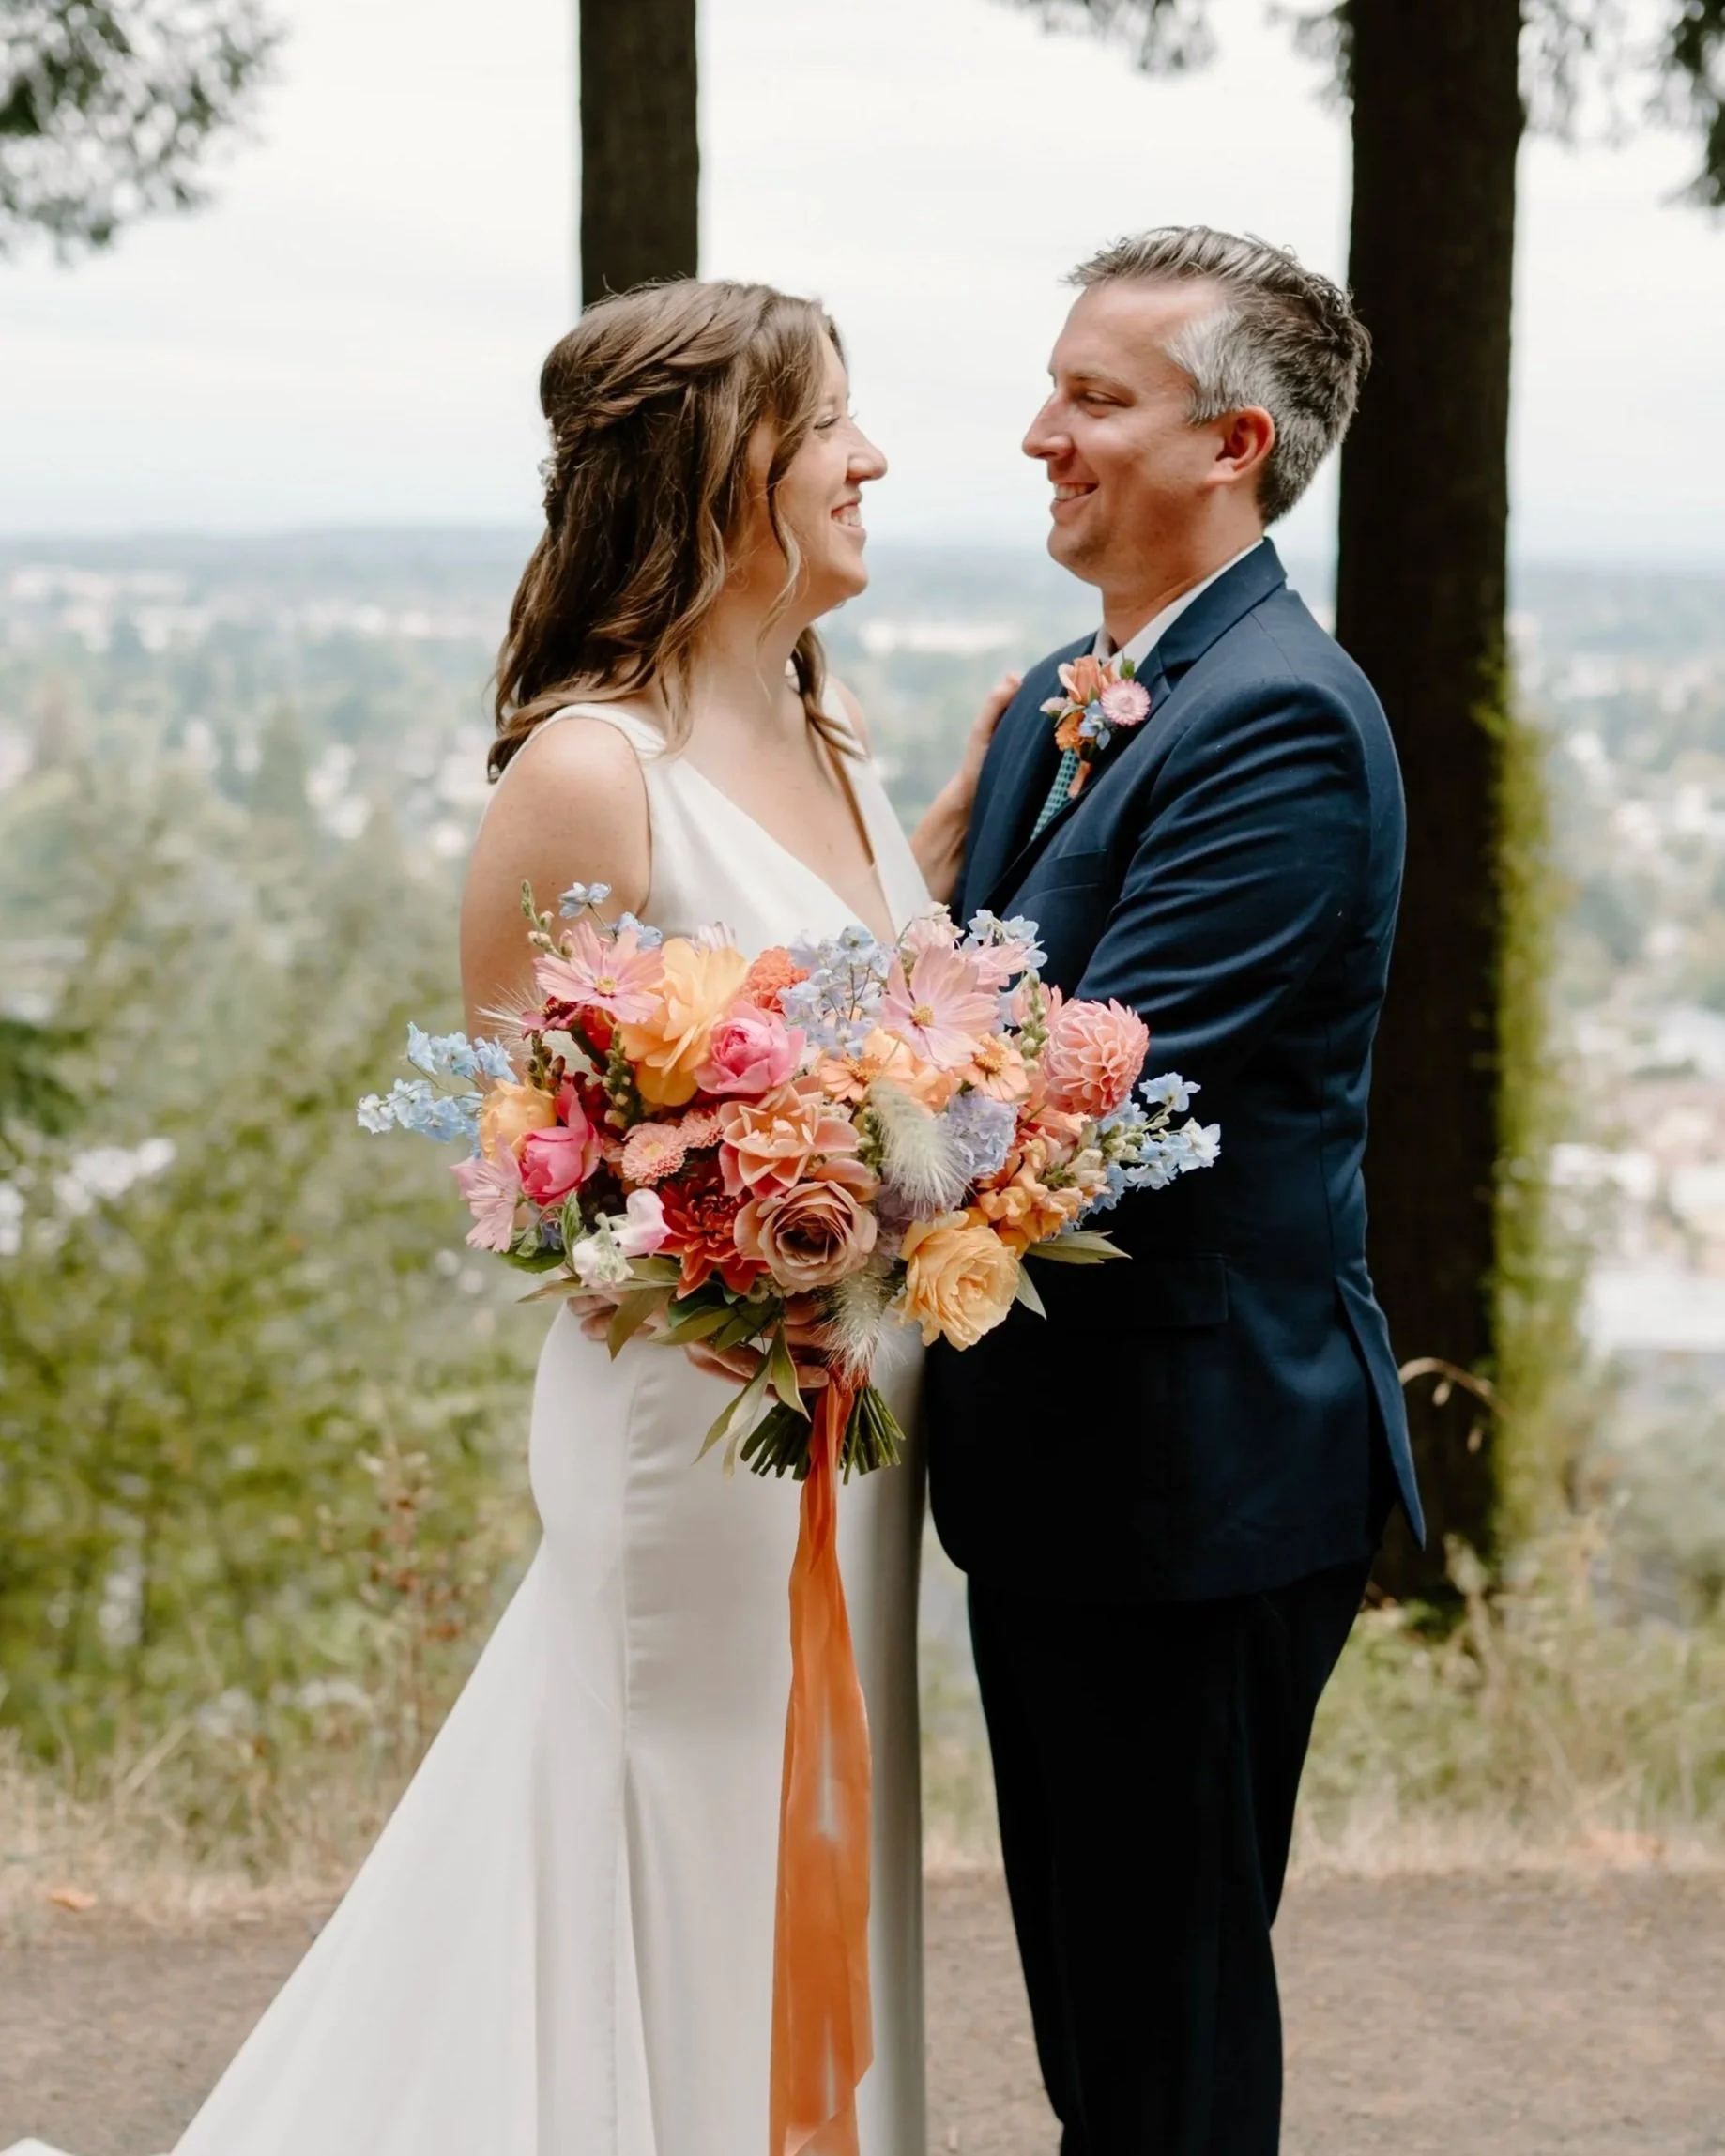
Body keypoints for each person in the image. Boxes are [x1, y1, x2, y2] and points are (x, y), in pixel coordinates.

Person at [164, 279, 1009, 2156]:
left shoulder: (844, 741)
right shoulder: (586, 772)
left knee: (816, 1797)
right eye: (835, 427)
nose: (875, 459)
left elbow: (883, 1013)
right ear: (729, 472)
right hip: (691, 1424)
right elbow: (535, 1161)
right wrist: (741, 1225)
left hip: (852, 1417)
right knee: (681, 1798)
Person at [924, 225, 1425, 2154]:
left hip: (1197, 1471)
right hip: (1068, 1464)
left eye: (1093, 398)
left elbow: (1079, 1101)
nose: (1039, 431)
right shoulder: (1076, 682)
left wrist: (810, 1103)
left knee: (1167, 2030)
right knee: (1098, 2009)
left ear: (1227, 441)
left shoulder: (1276, 717)